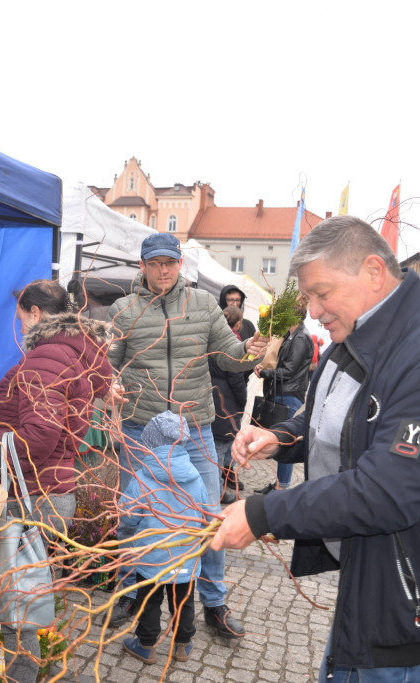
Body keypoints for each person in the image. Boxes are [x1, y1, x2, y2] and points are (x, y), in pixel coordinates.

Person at [209, 216, 420, 681]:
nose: (312, 311)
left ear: (373, 271)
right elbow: (328, 421)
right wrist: (281, 438)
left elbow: (389, 490)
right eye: (308, 296)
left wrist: (262, 513)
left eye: (321, 293)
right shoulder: (350, 341)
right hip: (373, 574)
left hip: (415, 598)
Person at [105, 232, 267, 638]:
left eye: (170, 262)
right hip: (140, 429)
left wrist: (250, 348)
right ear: (142, 266)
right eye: (155, 263)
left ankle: (213, 603)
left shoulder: (203, 305)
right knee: (134, 514)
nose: (163, 270)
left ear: (180, 265)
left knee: (208, 514)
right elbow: (104, 365)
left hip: (193, 430)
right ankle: (130, 589)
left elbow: (231, 359)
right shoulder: (124, 311)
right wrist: (107, 384)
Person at [0, 279, 113, 683]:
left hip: (34, 494)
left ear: (35, 313)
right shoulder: (73, 354)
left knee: (19, 613)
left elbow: (38, 437)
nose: (22, 328)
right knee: (38, 603)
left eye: (22, 318)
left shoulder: (46, 358)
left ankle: (26, 676)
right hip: (52, 490)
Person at [120, 411, 208, 666]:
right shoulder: (195, 476)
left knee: (148, 600)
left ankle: (146, 646)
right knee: (183, 600)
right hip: (186, 555)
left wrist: (130, 529)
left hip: (152, 556)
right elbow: (205, 514)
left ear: (150, 443)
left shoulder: (143, 477)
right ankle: (183, 644)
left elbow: (127, 515)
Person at [252, 294, 313, 495]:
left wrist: (265, 373)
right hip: (282, 391)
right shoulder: (291, 336)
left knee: (284, 440)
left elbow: (289, 371)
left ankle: (281, 487)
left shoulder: (301, 337)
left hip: (289, 393)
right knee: (279, 437)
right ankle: (279, 484)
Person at [210, 305, 249, 501]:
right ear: (239, 323)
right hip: (225, 399)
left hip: (211, 394)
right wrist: (243, 401)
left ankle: (218, 489)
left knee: (215, 447)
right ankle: (216, 493)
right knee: (219, 449)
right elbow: (236, 377)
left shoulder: (211, 337)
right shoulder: (232, 342)